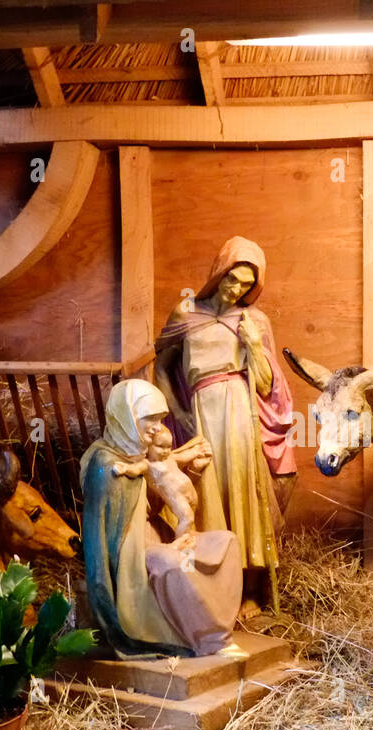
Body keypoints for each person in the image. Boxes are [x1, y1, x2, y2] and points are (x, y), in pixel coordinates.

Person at [154, 237, 296, 615]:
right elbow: (162, 365)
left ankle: (249, 589)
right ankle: (211, 583)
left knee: (243, 493)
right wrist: (175, 409)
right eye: (232, 279)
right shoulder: (186, 312)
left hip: (239, 412)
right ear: (219, 272)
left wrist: (251, 344)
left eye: (247, 285)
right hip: (200, 412)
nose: (236, 290)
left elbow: (266, 383)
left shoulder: (254, 321)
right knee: (207, 495)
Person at [79, 380, 242, 658]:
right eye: (149, 418)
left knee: (224, 542)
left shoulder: (142, 454)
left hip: (160, 536)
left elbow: (159, 501)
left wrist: (193, 474)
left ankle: (211, 629)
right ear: (126, 416)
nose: (156, 427)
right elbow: (108, 537)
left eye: (160, 418)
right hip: (131, 556)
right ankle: (210, 640)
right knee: (171, 564)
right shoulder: (104, 465)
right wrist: (163, 549)